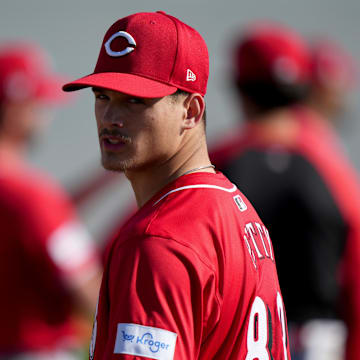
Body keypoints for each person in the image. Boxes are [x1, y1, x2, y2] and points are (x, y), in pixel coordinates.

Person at [62, 11, 291, 360]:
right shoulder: (235, 208)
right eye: (101, 96)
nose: (110, 118)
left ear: (191, 111)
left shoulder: (159, 237)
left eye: (135, 100)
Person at [210, 22, 360, 360]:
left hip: (243, 335)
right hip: (320, 338)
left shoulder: (219, 160)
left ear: (237, 87)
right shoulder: (327, 160)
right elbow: (356, 265)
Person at [0, 42, 102, 359]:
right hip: (34, 351)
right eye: (38, 104)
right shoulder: (33, 194)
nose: (46, 115)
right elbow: (87, 290)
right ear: (16, 108)